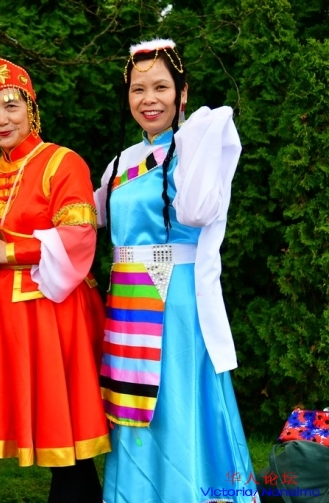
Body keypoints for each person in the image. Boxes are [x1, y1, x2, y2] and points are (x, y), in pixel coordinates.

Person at [94, 39, 257, 502]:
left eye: (161, 87)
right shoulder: (120, 162)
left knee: (177, 402)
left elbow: (197, 211)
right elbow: (88, 219)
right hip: (127, 304)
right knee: (135, 407)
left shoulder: (196, 150)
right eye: (138, 89)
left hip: (176, 301)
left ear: (182, 93)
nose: (149, 99)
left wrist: (199, 136)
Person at [0, 57, 109, 503]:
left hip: (56, 310)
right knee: (50, 428)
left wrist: (7, 251)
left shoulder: (62, 163)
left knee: (65, 429)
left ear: (31, 109)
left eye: (11, 106)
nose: (1, 119)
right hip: (8, 317)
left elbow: (79, 236)